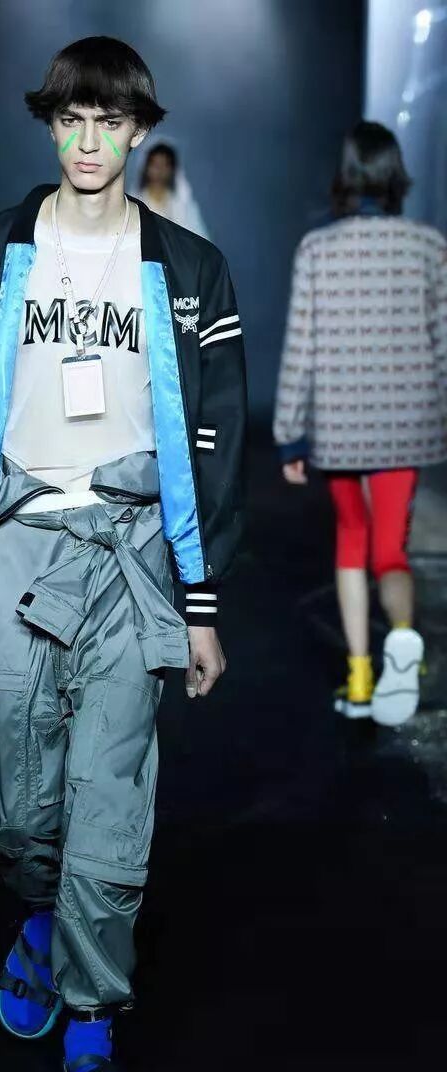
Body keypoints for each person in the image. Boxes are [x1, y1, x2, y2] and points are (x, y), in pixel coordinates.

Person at [0, 35, 247, 1072]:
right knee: (16, 803)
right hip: (11, 544)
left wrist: (200, 602)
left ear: (139, 129)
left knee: (110, 795)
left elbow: (216, 441)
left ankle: (92, 1038)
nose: (89, 141)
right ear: (50, 127)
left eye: (109, 121)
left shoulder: (189, 272)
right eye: (70, 120)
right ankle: (46, 919)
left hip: (134, 552)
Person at [273, 120, 447, 725]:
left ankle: (361, 675)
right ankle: (402, 637)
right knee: (391, 546)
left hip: (341, 424)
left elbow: (301, 348)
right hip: (405, 423)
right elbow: (443, 343)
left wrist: (289, 434)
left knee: (351, 538)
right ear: (396, 174)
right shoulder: (428, 246)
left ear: (345, 175)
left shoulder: (317, 250)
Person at [137, 140, 210, 240]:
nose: (159, 170)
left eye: (165, 165)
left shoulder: (183, 205)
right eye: (155, 164)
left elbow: (200, 239)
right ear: (146, 167)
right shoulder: (135, 202)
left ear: (172, 169)